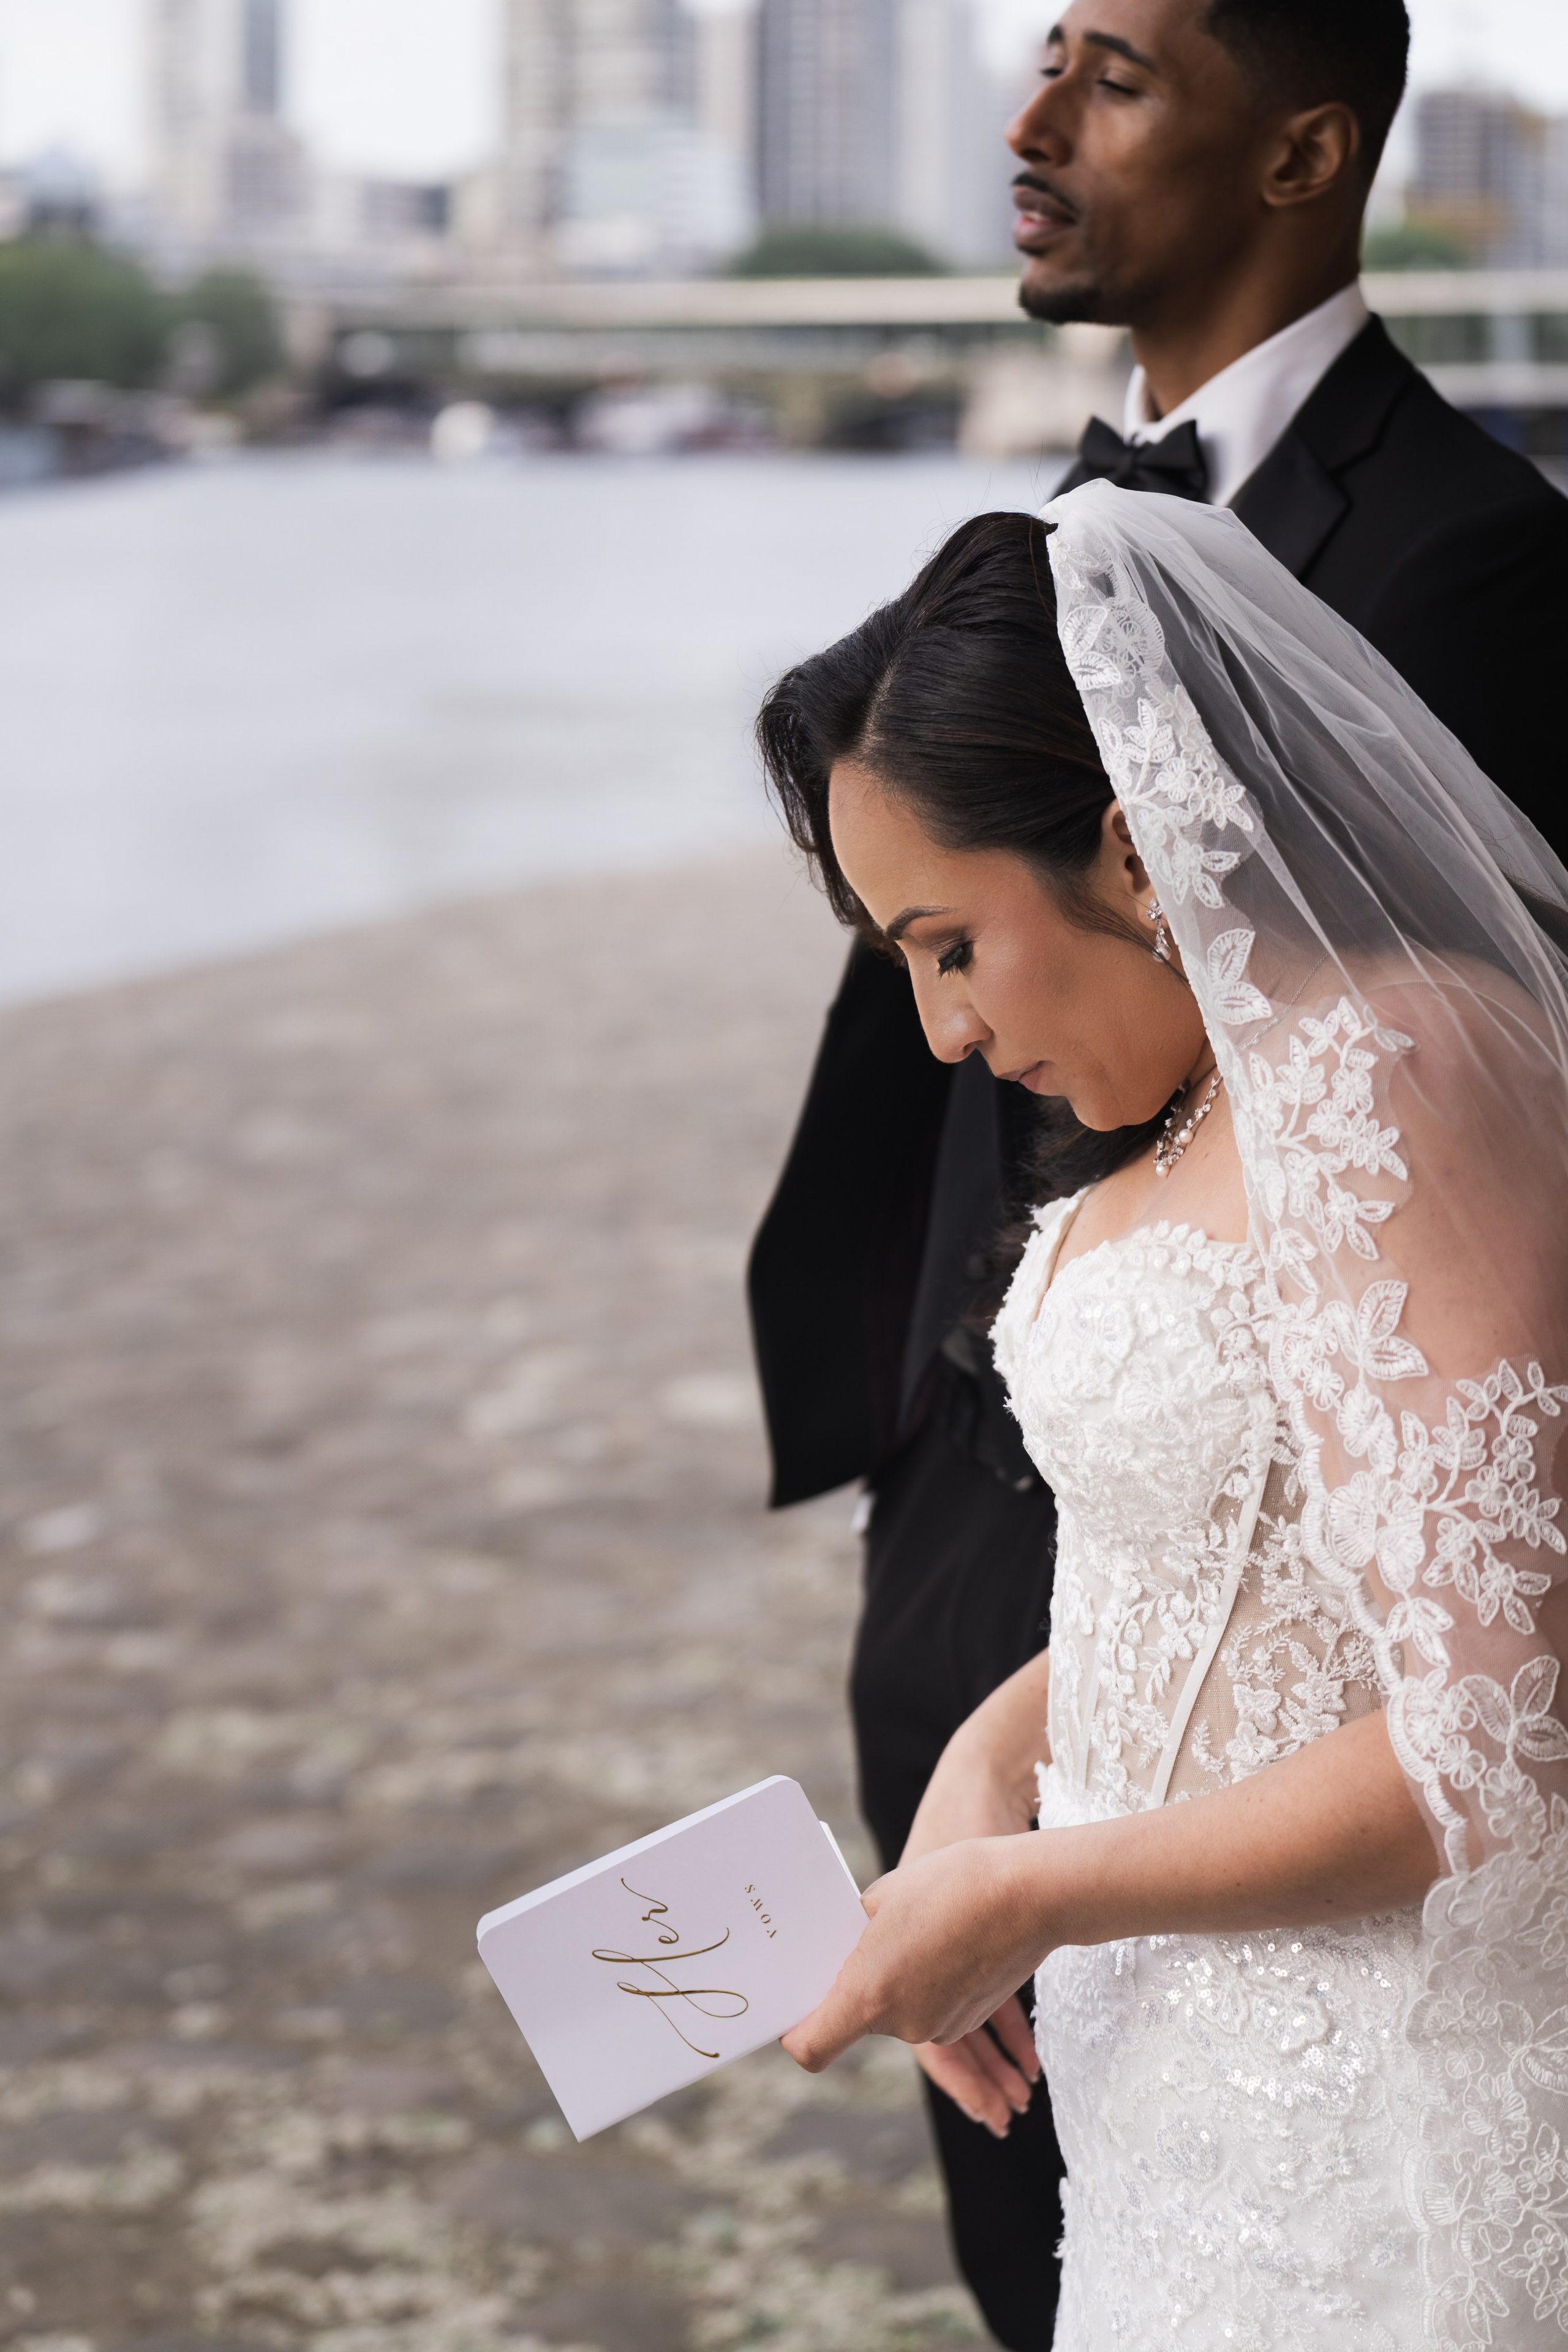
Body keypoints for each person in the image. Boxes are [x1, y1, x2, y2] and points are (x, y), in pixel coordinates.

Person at [747, 2, 1568, 2335]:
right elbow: (976, 1129)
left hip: (1351, 1902)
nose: (1031, 122)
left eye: (1107, 70)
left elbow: (1488, 1649)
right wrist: (995, 1708)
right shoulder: (1019, 628)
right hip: (1063, 1667)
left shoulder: (1471, 621)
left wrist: (1046, 1868)